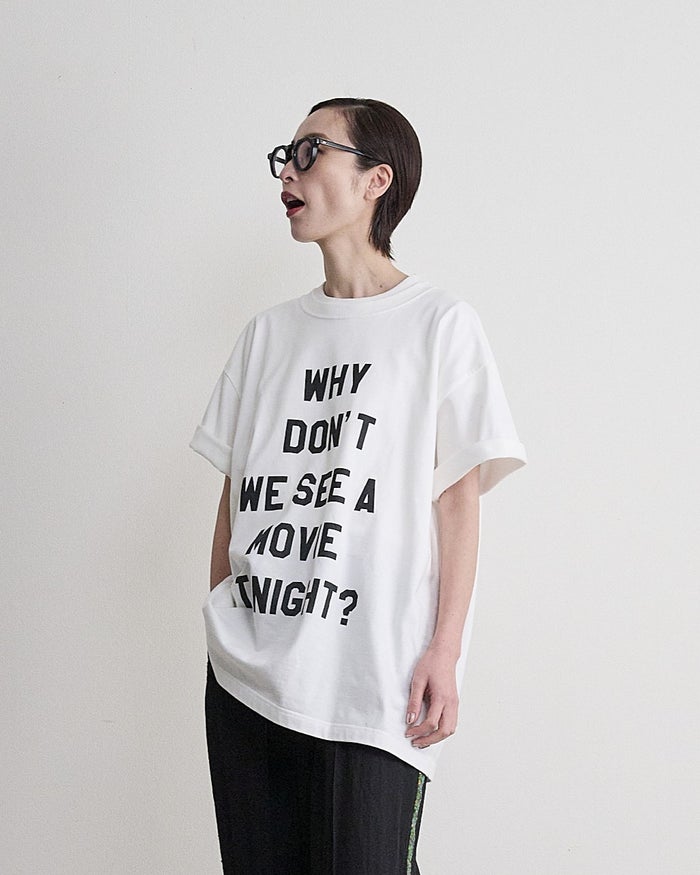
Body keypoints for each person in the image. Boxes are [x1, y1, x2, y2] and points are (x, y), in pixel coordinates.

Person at [190, 97, 527, 875]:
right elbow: (237, 491)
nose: (289, 170)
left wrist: (446, 649)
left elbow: (456, 499)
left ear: (378, 180)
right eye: (286, 154)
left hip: (373, 676)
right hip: (246, 674)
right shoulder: (267, 335)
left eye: (311, 151)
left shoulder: (438, 324)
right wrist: (221, 614)